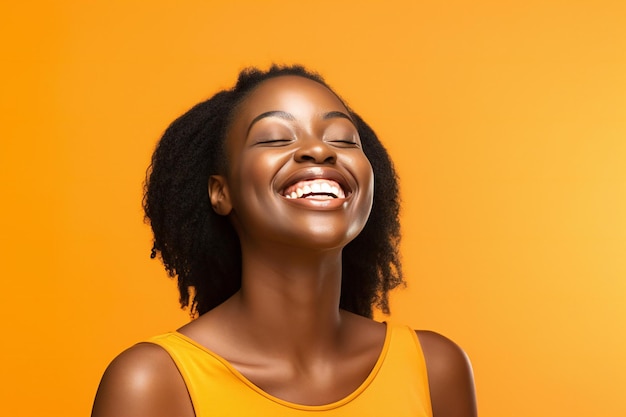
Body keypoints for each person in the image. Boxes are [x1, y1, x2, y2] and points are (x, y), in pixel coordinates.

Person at [91, 65, 477, 417]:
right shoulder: (153, 383)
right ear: (220, 193)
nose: (320, 150)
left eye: (343, 140)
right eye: (275, 138)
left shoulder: (435, 369)